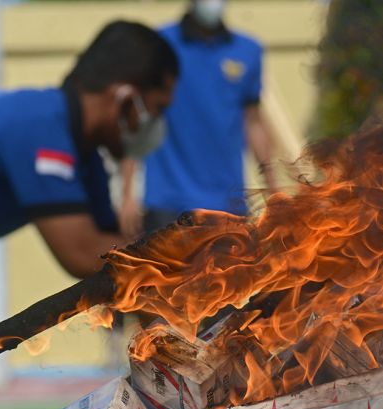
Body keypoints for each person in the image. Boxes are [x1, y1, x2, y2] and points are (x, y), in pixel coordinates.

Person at [0, 21, 179, 278]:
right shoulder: (40, 127)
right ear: (126, 98)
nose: (158, 122)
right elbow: (85, 254)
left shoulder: (86, 156)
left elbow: (113, 243)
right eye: (158, 108)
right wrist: (187, 257)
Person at [119, 0, 279, 235]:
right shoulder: (160, 45)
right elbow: (137, 119)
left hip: (228, 206)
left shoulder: (248, 50)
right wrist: (127, 195)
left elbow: (253, 122)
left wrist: (273, 189)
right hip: (167, 204)